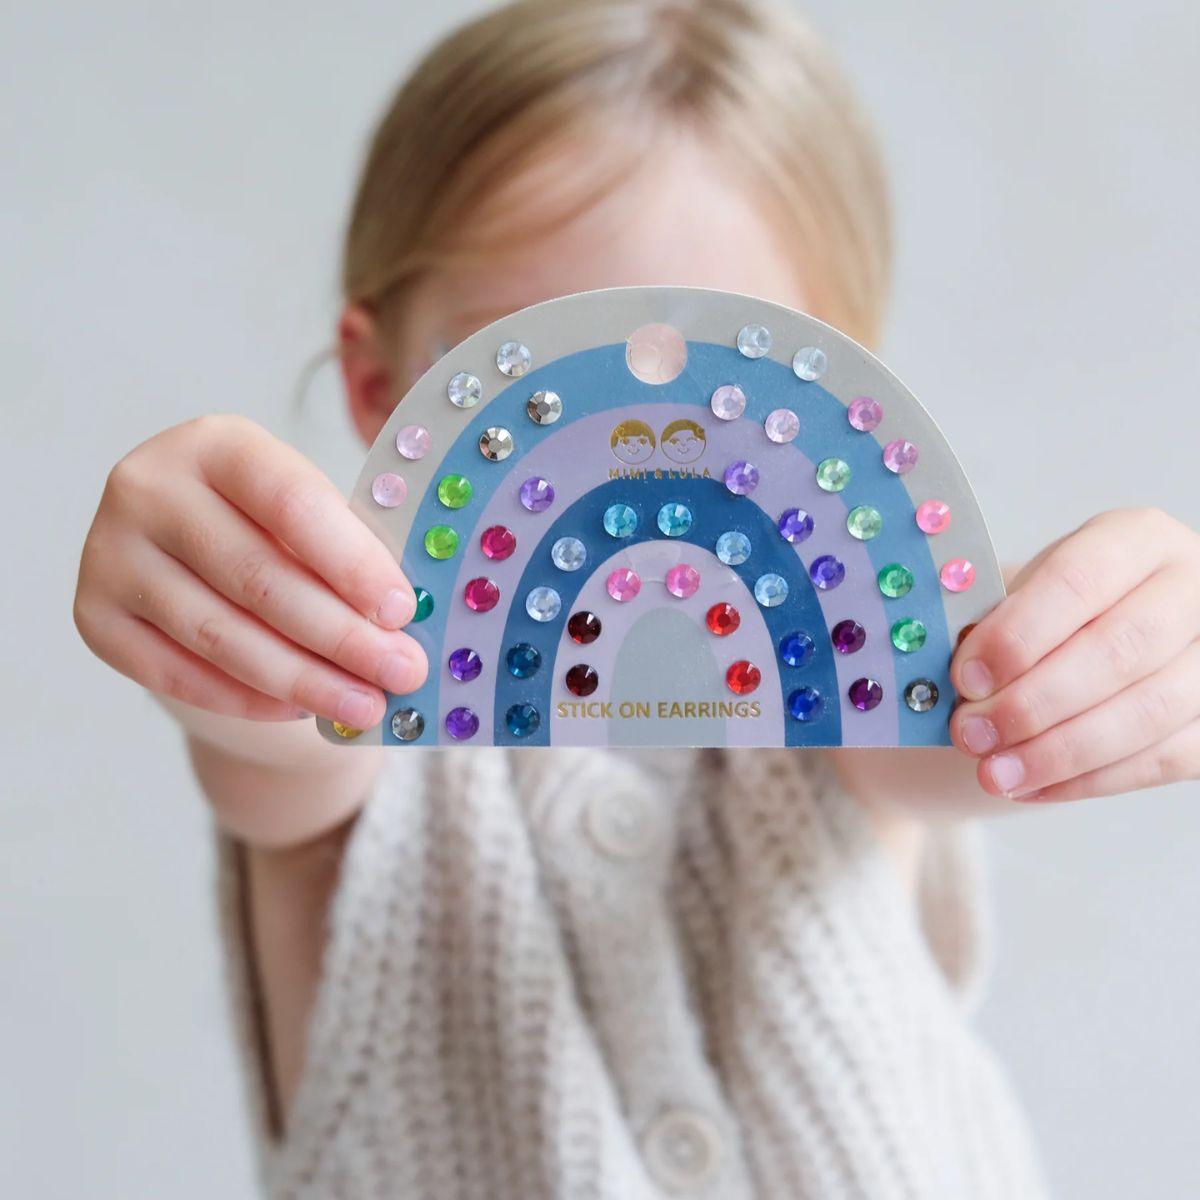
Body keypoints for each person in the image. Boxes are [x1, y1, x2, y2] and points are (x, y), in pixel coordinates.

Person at [73, 0, 1200, 1196]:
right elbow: (277, 725)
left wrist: (1092, 642)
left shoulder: (853, 716)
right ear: (379, 382)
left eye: (735, 386)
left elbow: (971, 693)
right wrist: (221, 596)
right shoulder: (359, 755)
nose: (644, 456)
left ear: (842, 410)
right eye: (541, 397)